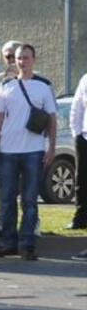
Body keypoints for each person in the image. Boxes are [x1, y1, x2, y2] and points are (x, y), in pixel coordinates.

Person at [0, 44, 56, 261]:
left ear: (34, 59)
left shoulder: (43, 86)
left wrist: (51, 147)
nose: (22, 62)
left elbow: (52, 119)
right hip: (8, 149)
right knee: (6, 199)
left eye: (26, 58)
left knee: (29, 200)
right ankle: (8, 243)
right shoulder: (6, 85)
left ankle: (27, 244)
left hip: (33, 151)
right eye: (18, 58)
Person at [69, 73, 87, 230]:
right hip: (85, 137)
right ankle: (80, 218)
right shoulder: (85, 79)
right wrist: (77, 133)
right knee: (81, 180)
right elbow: (77, 107)